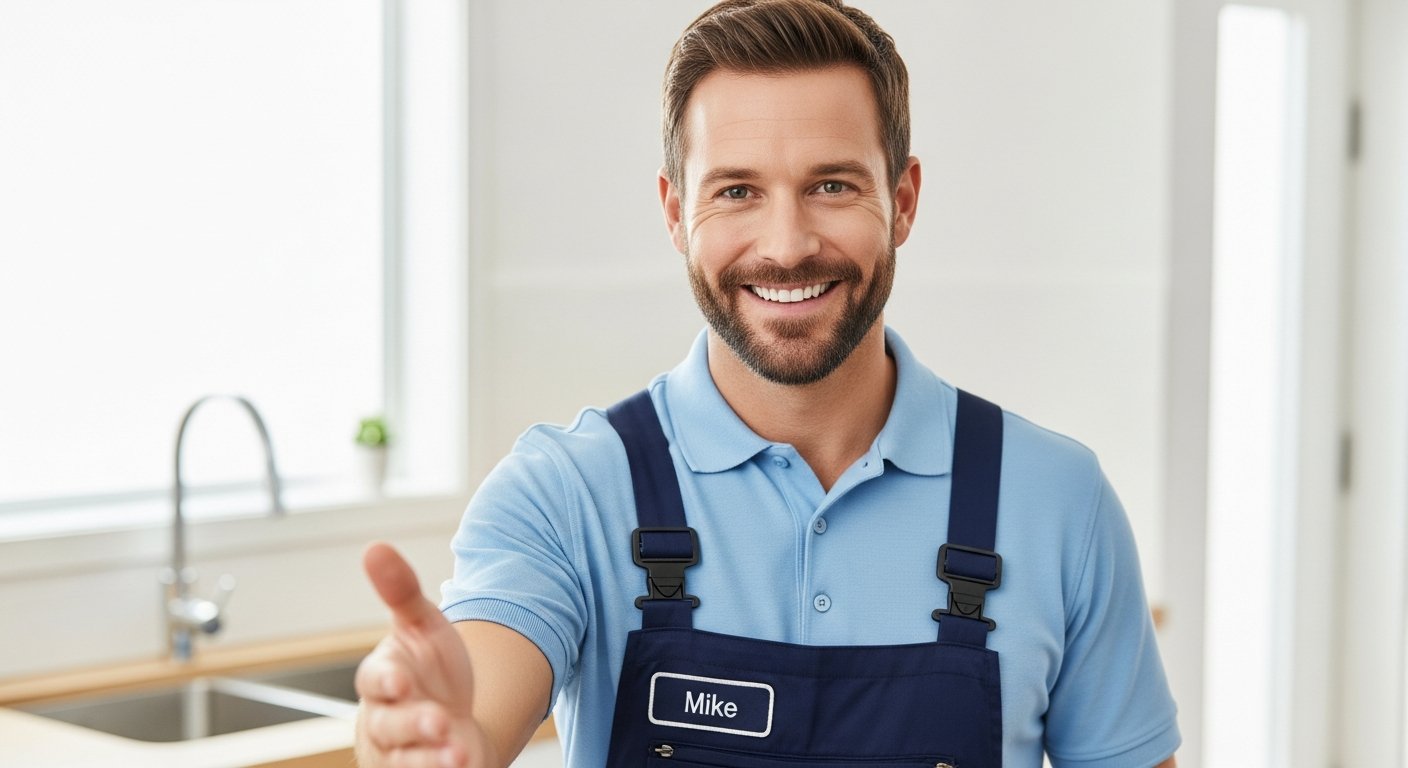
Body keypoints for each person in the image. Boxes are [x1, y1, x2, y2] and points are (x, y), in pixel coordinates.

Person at [354, 1, 1182, 766]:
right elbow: (475, 690)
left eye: (832, 185)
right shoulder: (566, 492)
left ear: (902, 199)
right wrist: (436, 727)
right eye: (738, 191)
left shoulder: (1058, 502)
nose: (785, 245)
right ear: (676, 213)